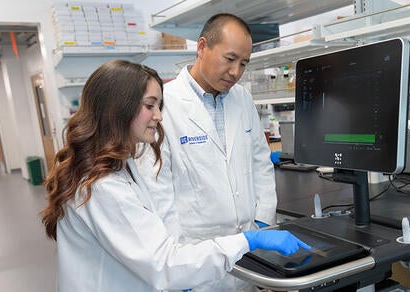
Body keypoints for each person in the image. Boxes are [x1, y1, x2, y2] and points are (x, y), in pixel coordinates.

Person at [39, 60, 310, 291]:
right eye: (150, 105)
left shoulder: (121, 165)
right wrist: (248, 240)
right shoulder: (102, 187)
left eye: (159, 105)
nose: (159, 116)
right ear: (118, 108)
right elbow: (163, 264)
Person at [136, 13, 279, 291]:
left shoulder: (243, 98)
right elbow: (157, 190)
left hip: (246, 250)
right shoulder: (165, 104)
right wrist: (176, 266)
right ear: (202, 47)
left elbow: (260, 162)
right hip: (196, 254)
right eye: (229, 59)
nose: (236, 72)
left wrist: (261, 220)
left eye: (244, 63)